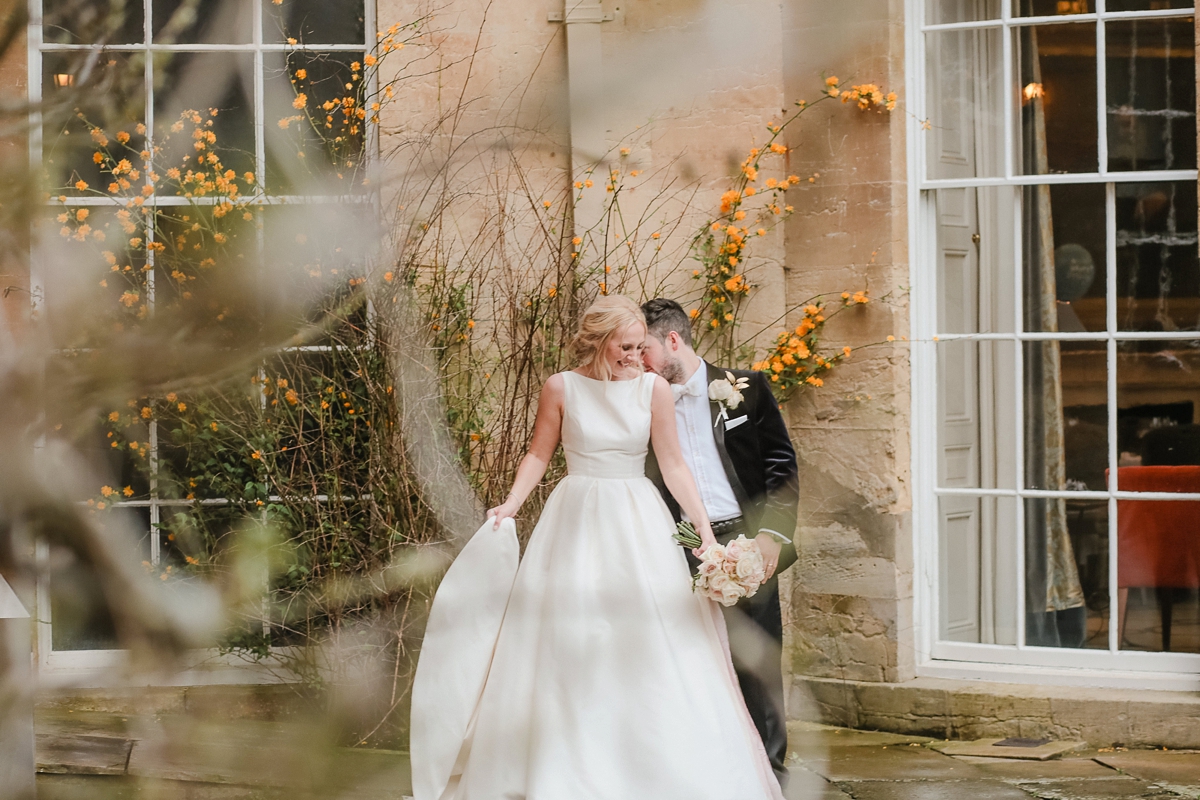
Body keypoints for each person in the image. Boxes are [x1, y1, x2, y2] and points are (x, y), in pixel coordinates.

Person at [410, 295, 785, 800]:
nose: (635, 356)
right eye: (624, 347)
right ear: (598, 342)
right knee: (568, 634)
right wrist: (511, 505)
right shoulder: (561, 387)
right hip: (575, 517)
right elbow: (538, 454)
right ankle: (562, 764)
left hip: (638, 521)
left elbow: (674, 465)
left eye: (638, 347)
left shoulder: (653, 389)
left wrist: (706, 531)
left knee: (654, 636)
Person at [641, 297, 800, 788]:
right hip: (677, 545)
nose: (636, 360)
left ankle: (772, 777)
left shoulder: (745, 388)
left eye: (643, 349)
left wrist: (772, 535)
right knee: (689, 663)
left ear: (672, 340)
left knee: (758, 658)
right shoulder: (642, 398)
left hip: (746, 541)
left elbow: (781, 464)